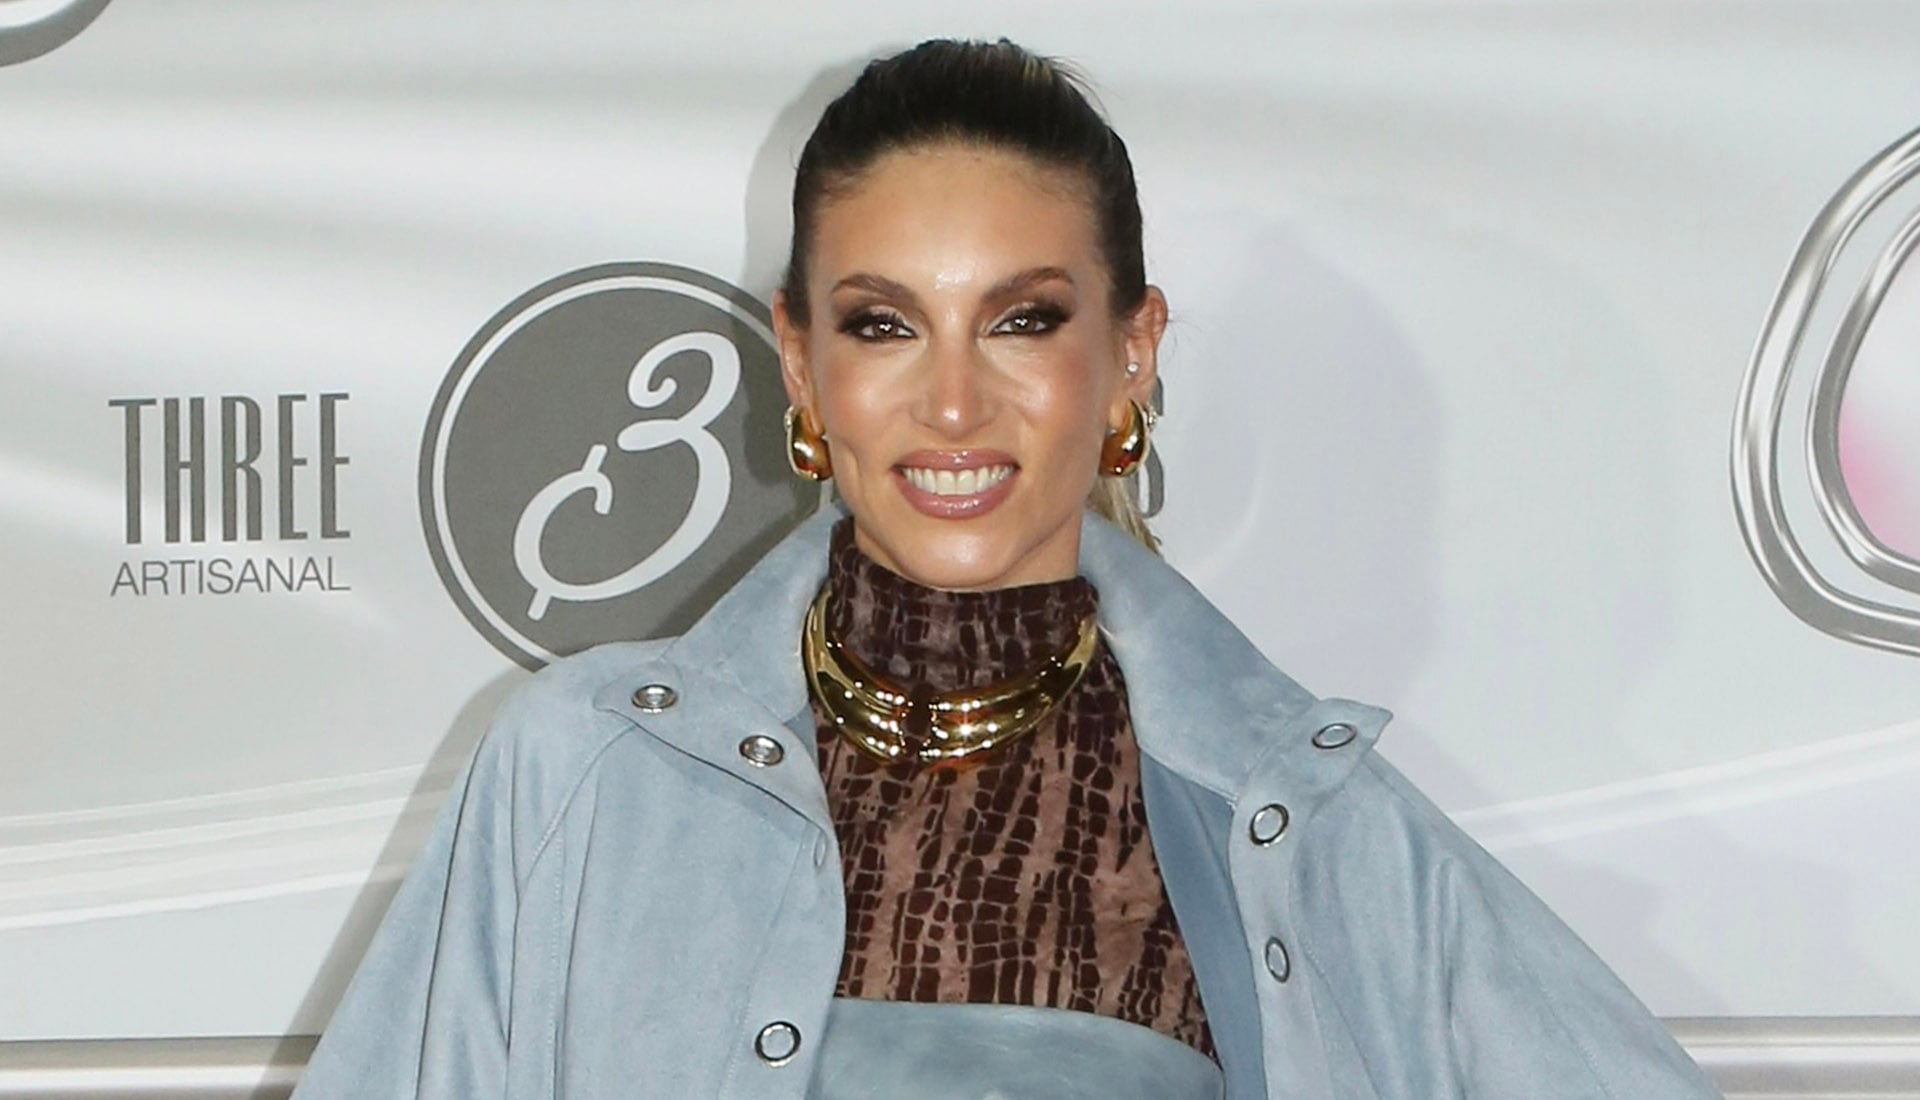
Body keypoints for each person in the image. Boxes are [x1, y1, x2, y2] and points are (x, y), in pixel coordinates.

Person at [291, 38, 1722, 1100]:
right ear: (800, 361)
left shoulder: (1303, 822)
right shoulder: (581, 775)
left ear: (1132, 352)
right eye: (884, 325)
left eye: (1023, 320)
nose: (954, 404)